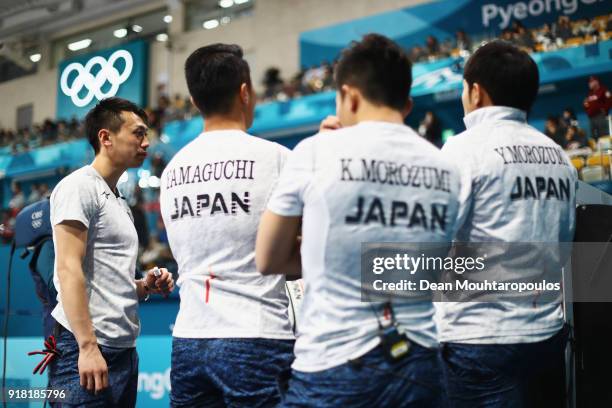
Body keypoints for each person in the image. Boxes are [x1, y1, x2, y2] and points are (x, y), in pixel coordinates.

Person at [256, 33, 460, 407]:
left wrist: (325, 252)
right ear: (408, 104)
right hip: (422, 362)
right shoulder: (447, 166)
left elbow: (268, 257)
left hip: (335, 363)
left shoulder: (316, 152)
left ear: (349, 96)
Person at [436, 41, 577, 407]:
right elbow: (564, 246)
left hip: (480, 342)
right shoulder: (559, 156)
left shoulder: (463, 149)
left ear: (475, 91)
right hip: (545, 337)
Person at [159, 44, 295, 408]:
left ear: (193, 99)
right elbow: (308, 250)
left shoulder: (172, 171)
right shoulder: (279, 160)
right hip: (257, 336)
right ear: (245, 92)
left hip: (188, 339)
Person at [48, 97, 175, 407]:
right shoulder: (79, 187)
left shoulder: (119, 202)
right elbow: (68, 269)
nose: (146, 142)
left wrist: (145, 285)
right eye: (138, 133)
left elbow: (108, 280)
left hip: (123, 351)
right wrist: (87, 346)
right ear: (105, 137)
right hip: (85, 348)